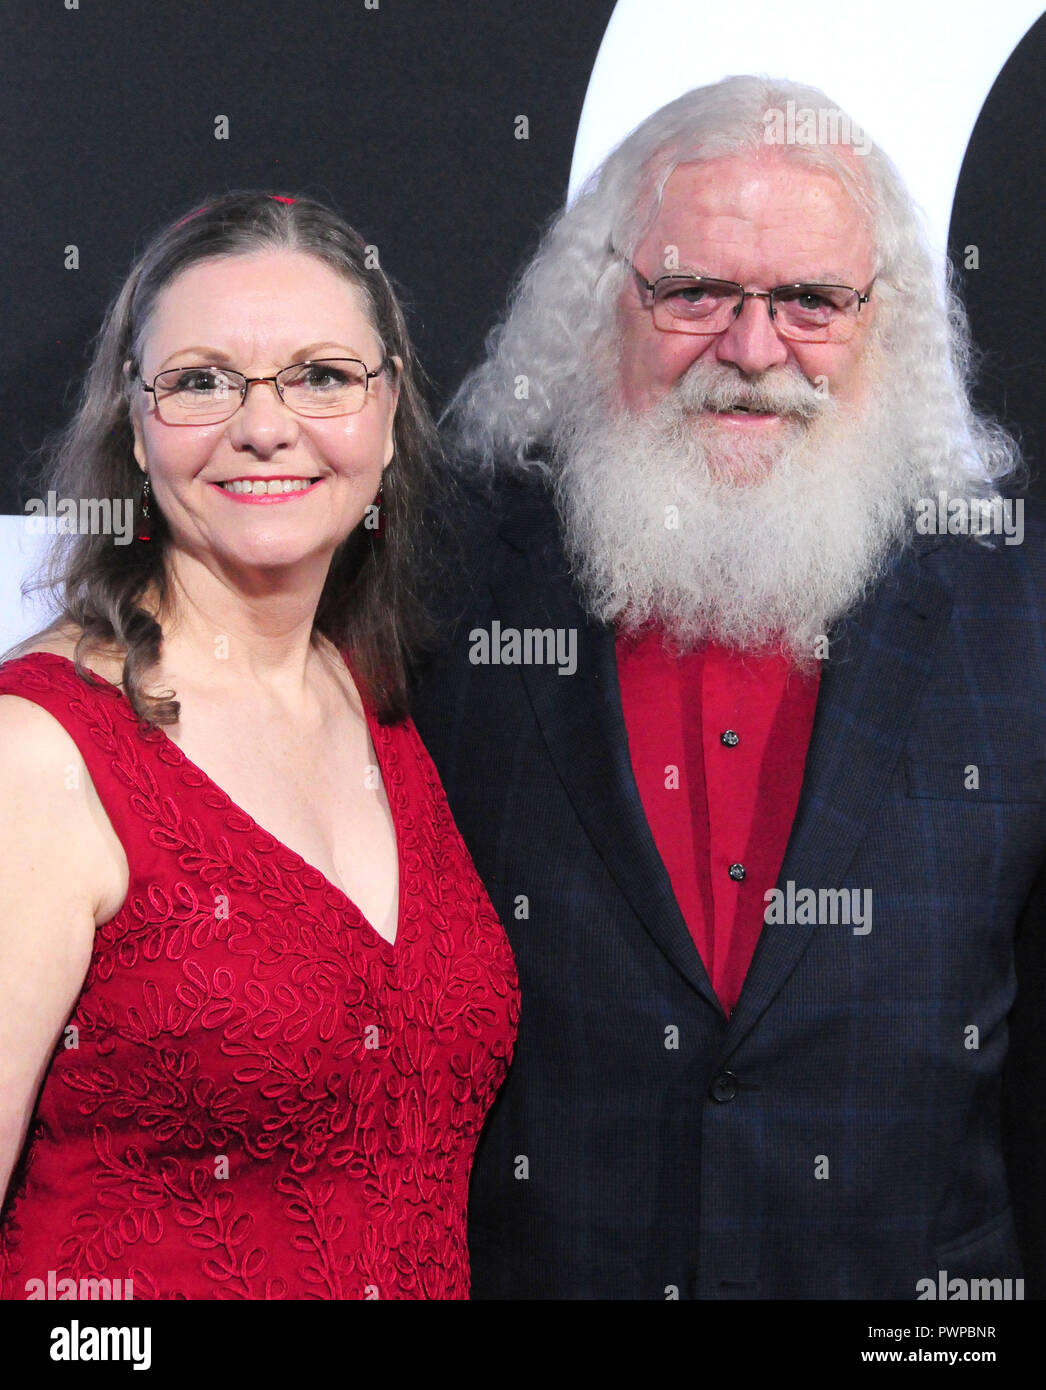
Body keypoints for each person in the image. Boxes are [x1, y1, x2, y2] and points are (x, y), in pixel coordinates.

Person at [409, 75, 1045, 1299]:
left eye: (810, 301)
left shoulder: (1013, 608)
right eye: (694, 292)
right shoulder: (446, 583)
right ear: (602, 306)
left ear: (884, 322)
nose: (753, 353)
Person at [0, 191, 519, 1300]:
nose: (264, 425)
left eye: (322, 376)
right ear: (134, 430)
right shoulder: (35, 757)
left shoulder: (374, 701)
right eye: (200, 381)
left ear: (387, 418)